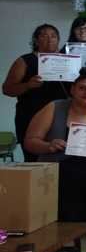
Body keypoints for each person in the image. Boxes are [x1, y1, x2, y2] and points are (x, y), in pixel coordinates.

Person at [23, 71, 86, 224]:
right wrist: (48, 145)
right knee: (72, 204)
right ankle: (80, 215)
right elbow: (29, 142)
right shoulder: (54, 108)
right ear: (72, 90)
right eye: (82, 88)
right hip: (60, 166)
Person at [3, 24, 68, 162]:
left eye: (53, 36)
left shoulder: (67, 61)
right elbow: (7, 89)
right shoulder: (25, 61)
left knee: (63, 160)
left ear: (58, 40)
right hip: (30, 117)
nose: (49, 39)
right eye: (44, 35)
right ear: (36, 40)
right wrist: (27, 85)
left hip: (60, 119)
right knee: (34, 160)